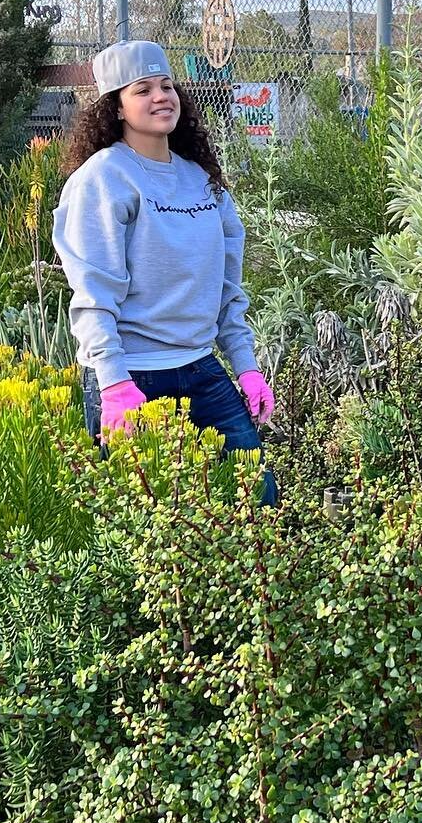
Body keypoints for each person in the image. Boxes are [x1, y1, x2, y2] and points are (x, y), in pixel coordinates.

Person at [53, 39, 276, 496]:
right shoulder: (103, 179)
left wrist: (247, 367)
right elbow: (93, 293)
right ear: (114, 107)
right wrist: (113, 382)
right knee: (142, 525)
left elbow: (226, 288)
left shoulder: (201, 180)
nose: (160, 97)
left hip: (200, 368)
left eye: (166, 85)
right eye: (142, 89)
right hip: (130, 378)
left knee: (258, 499)